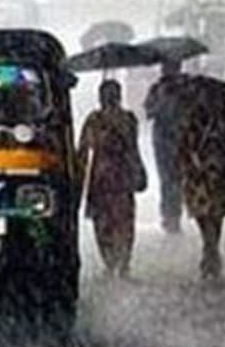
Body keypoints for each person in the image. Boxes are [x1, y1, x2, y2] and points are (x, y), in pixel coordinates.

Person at [77, 79, 145, 279]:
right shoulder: (129, 119)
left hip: (101, 177)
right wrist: (138, 169)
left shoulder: (94, 120)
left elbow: (83, 150)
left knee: (103, 222)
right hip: (122, 176)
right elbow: (134, 148)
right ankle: (123, 263)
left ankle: (110, 262)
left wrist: (77, 178)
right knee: (124, 221)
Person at [176, 89, 225, 280]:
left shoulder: (189, 123)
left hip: (199, 178)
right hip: (216, 177)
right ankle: (212, 251)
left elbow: (181, 150)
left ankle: (210, 252)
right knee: (214, 217)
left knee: (205, 216)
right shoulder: (222, 123)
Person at [143, 60, 185, 234]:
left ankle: (173, 214)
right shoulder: (157, 88)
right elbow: (148, 112)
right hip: (164, 139)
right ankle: (170, 215)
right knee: (169, 179)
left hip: (177, 138)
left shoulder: (184, 89)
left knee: (175, 178)